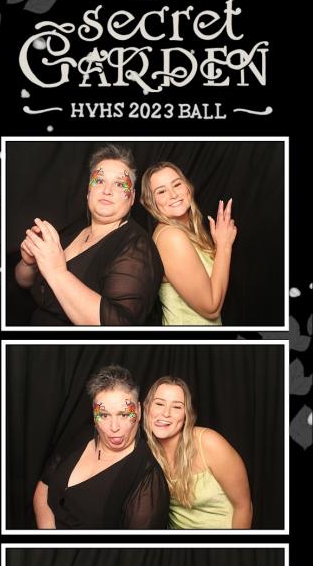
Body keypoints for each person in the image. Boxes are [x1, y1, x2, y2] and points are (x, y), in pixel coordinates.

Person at [13, 144, 163, 325]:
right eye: (99, 181)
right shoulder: (75, 229)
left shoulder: (137, 248)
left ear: (131, 197)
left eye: (119, 184)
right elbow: (24, 281)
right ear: (88, 191)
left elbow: (118, 326)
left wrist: (57, 272)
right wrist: (29, 263)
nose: (107, 190)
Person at [33, 365, 169, 529]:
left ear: (139, 411)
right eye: (104, 415)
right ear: (94, 413)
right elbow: (44, 486)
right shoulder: (83, 435)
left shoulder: (147, 478)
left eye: (124, 414)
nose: (114, 427)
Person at [143, 376, 252, 529]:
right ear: (147, 408)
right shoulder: (145, 453)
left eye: (177, 407)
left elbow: (243, 507)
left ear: (186, 414)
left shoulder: (209, 443)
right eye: (159, 404)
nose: (166, 413)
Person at [140, 161, 236, 326]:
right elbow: (211, 308)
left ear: (188, 187)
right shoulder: (171, 237)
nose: (173, 194)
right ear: (151, 203)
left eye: (177, 184)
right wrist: (224, 246)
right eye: (161, 191)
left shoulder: (187, 230)